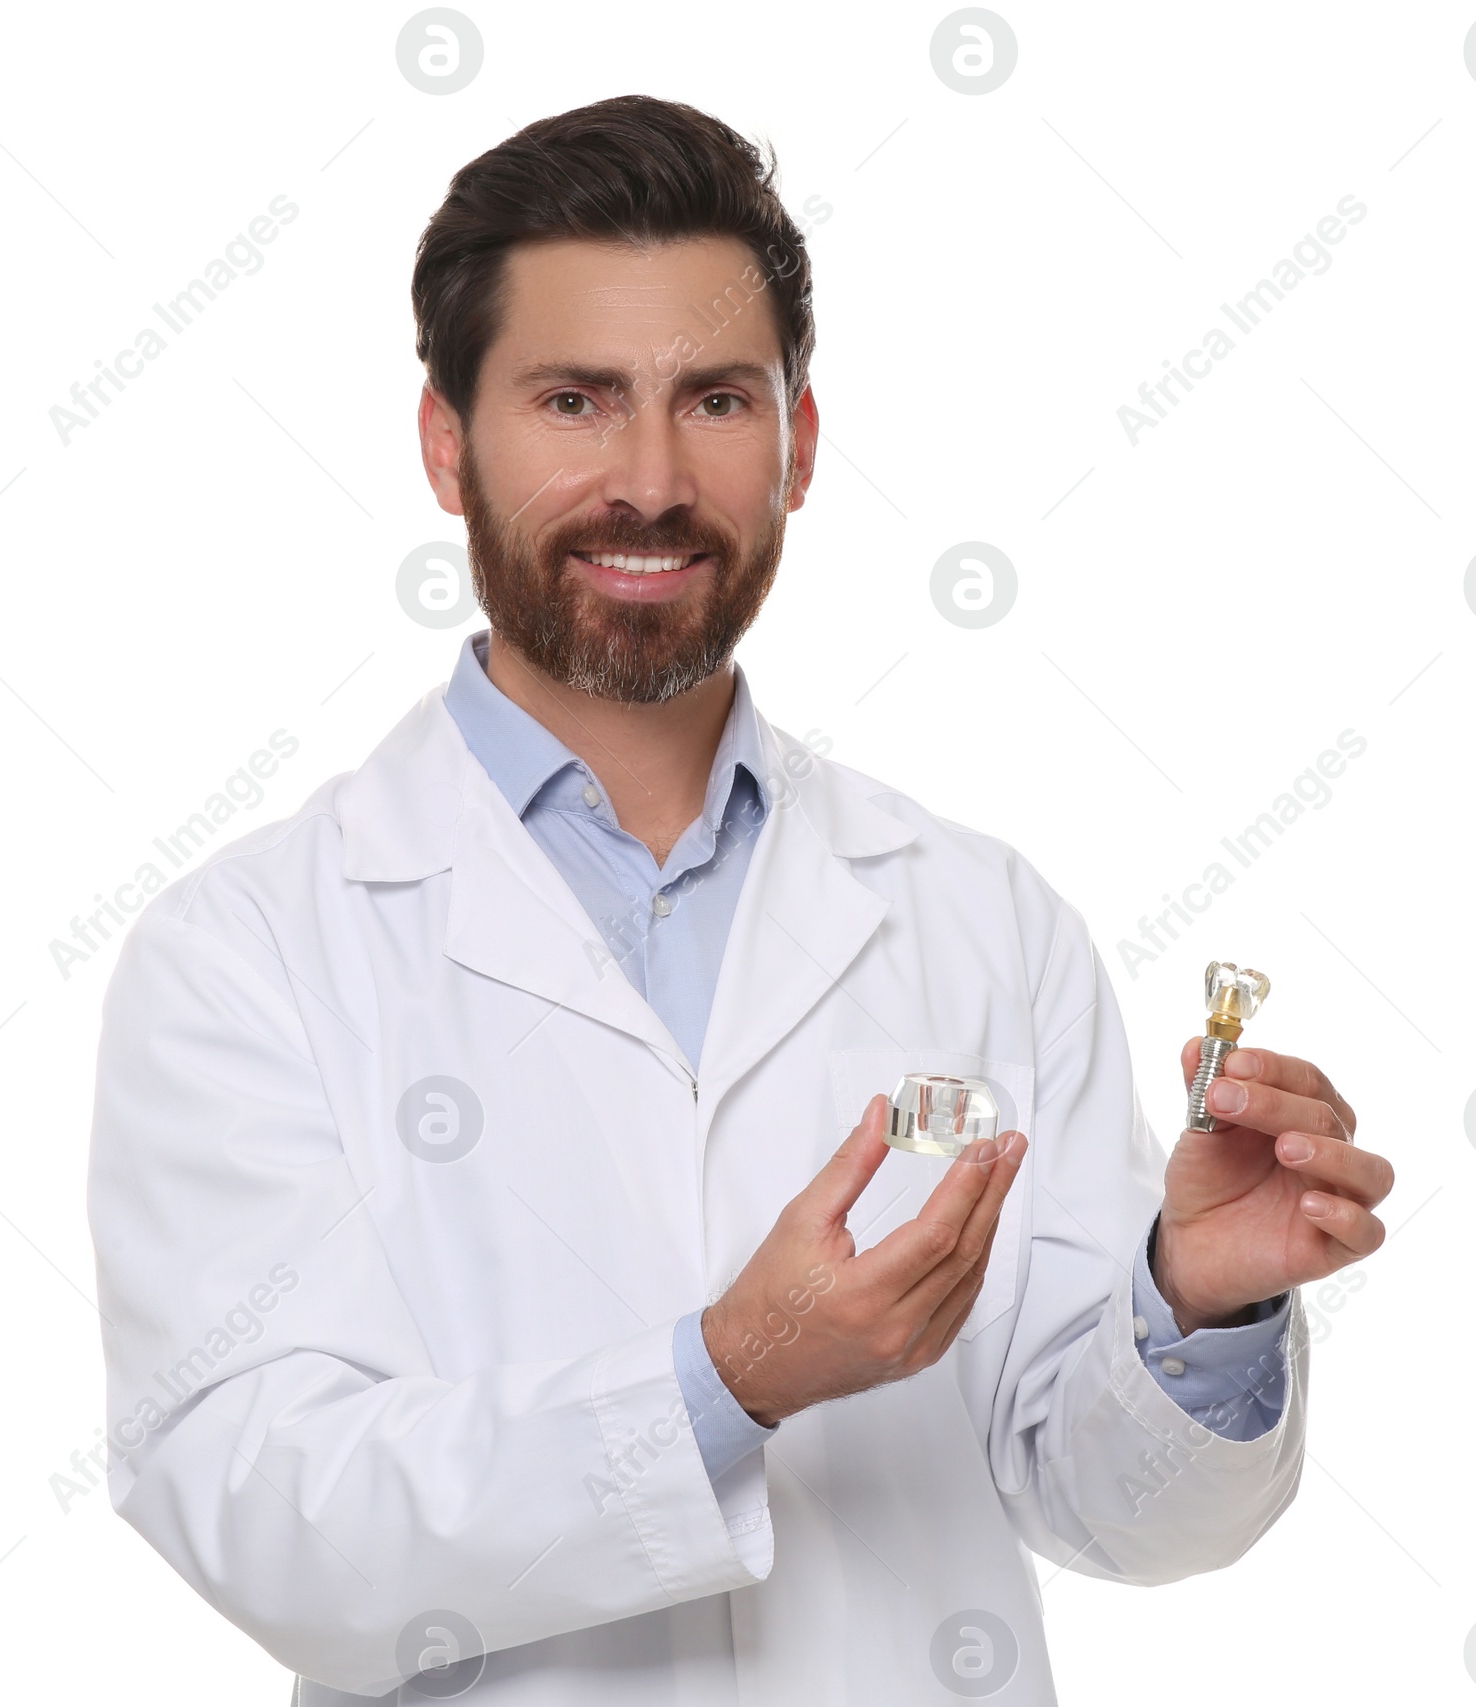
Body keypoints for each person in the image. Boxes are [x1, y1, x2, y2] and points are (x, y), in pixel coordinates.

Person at [86, 95, 1395, 1706]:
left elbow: (1108, 1509)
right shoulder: (247, 954)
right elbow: (264, 1511)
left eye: (715, 399)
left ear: (802, 442)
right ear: (446, 444)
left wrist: (1200, 1300)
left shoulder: (978, 914)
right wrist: (723, 1383)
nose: (651, 480)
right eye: (574, 400)